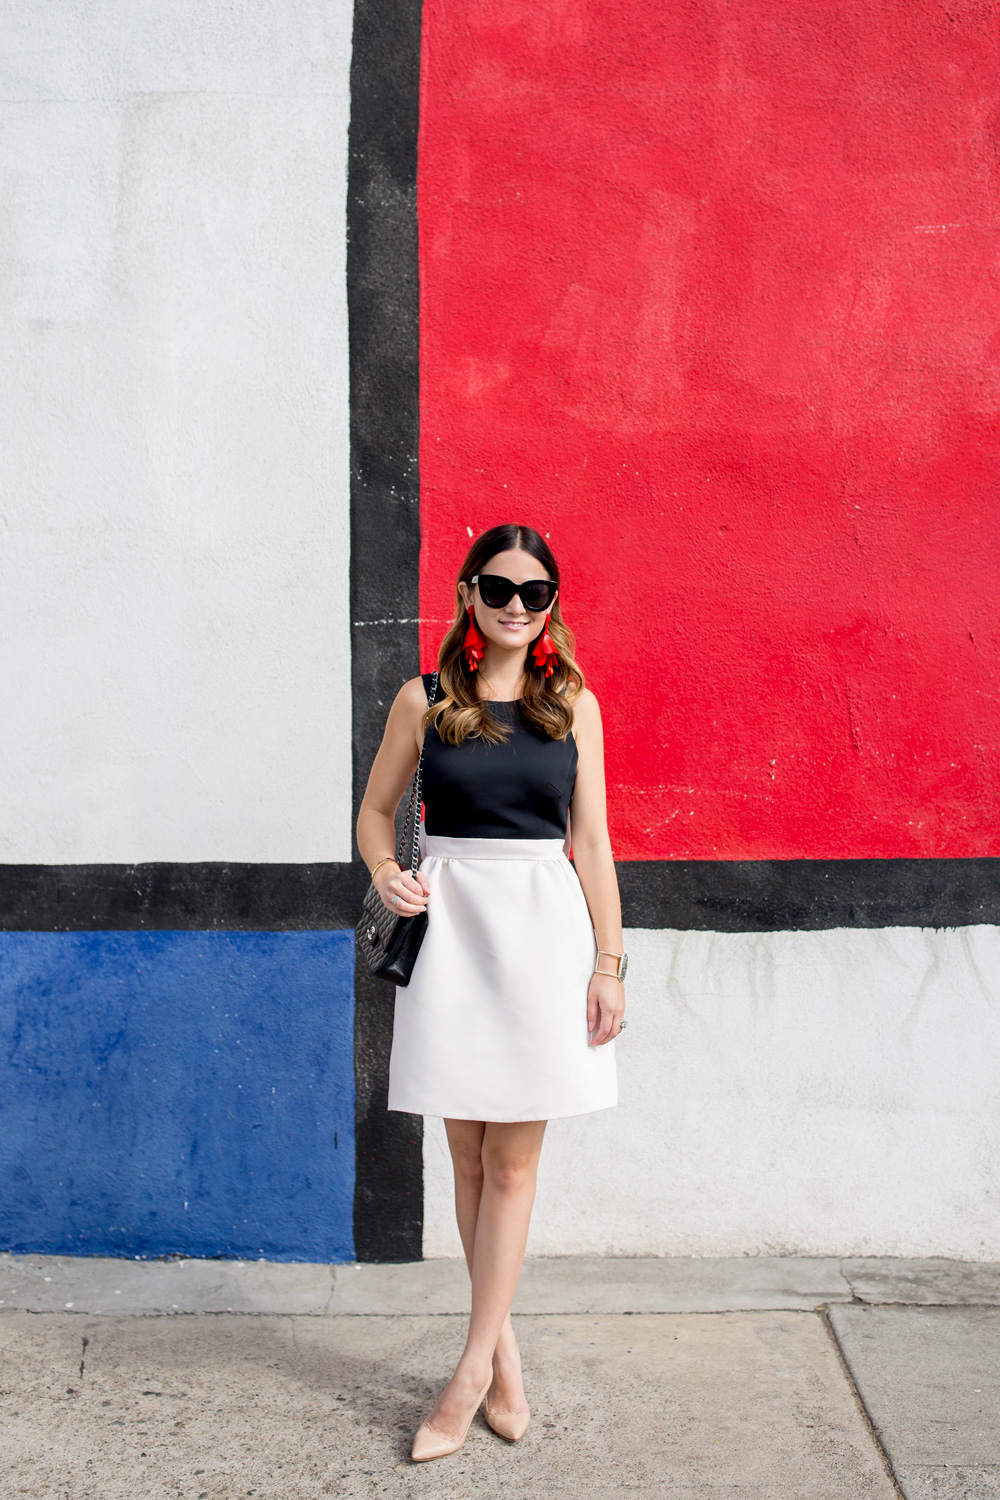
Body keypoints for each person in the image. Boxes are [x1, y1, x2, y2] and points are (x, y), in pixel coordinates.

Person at [356, 522, 627, 1462]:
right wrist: (386, 870)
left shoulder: (573, 705)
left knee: (511, 1166)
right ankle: (504, 1354)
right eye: (501, 588)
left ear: (554, 605)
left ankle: (468, 1372)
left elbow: (590, 843)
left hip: (544, 936)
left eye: (537, 592)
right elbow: (375, 813)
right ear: (469, 594)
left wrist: (610, 964)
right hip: (453, 932)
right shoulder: (424, 700)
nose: (519, 605)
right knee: (465, 1161)